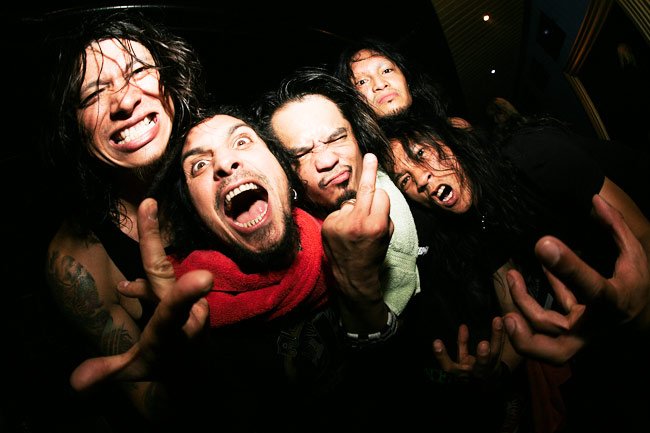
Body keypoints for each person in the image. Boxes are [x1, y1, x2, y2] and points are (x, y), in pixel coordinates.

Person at [69, 106, 399, 432]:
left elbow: (396, 390)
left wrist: (360, 287)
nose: (225, 163)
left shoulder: (346, 243)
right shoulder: (184, 312)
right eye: (199, 165)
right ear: (197, 215)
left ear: (283, 171)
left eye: (242, 141)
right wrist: (186, 381)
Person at [255, 67, 522, 432]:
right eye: (301, 153)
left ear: (357, 138)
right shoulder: (292, 268)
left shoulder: (421, 199)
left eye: (336, 138)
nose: (326, 160)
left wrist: (499, 371)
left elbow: (507, 284)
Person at [379, 110, 650, 433]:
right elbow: (514, 307)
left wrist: (639, 316)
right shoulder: (476, 222)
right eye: (405, 180)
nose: (421, 179)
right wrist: (496, 372)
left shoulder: (532, 153)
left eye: (421, 153)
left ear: (453, 136)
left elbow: (641, 235)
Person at [41, 9, 206, 428]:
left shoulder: (232, 165)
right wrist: (185, 366)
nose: (125, 101)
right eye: (94, 93)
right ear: (74, 127)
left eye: (138, 71)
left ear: (171, 80)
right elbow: (158, 411)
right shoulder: (78, 260)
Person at [334, 37, 470, 128]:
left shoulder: (455, 131)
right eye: (362, 81)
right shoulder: (366, 159)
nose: (380, 85)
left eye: (387, 70)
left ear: (407, 79)